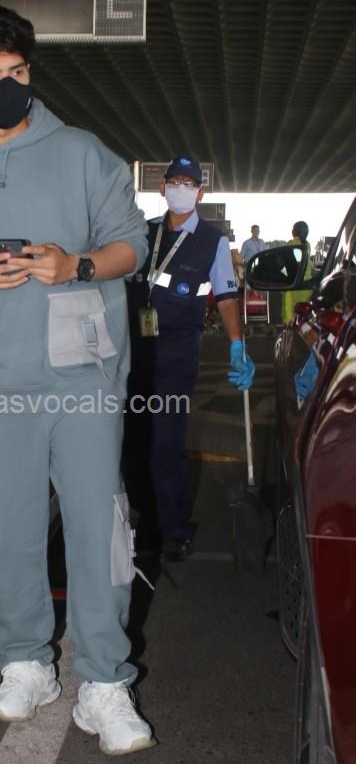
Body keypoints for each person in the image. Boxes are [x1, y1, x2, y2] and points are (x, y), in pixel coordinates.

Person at [0, 6, 155, 756]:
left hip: (83, 376)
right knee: (0, 527)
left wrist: (76, 264)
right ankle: (25, 664)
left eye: (17, 72)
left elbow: (132, 246)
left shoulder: (82, 154)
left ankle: (104, 682)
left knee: (99, 526)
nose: (7, 86)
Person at [123, 156, 256, 561]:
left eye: (188, 182)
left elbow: (227, 299)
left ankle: (174, 528)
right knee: (135, 439)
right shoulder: (143, 233)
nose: (181, 188)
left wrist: (237, 345)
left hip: (177, 354)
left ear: (200, 192)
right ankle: (145, 516)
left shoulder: (213, 241)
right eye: (174, 181)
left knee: (166, 441)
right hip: (136, 351)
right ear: (162, 187)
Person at [282, 221, 312, 324]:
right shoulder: (308, 245)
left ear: (293, 232)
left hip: (294, 285)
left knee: (291, 315)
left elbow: (284, 266)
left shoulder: (290, 244)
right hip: (307, 286)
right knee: (304, 315)